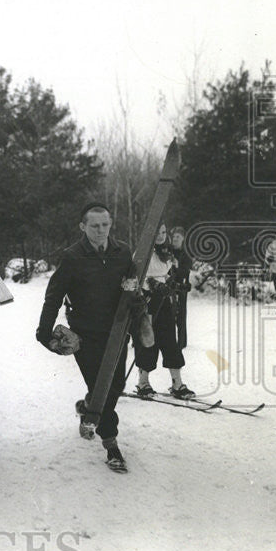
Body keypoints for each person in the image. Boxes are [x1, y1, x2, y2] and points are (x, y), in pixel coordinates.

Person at [36, 202, 137, 474]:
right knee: (101, 384)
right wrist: (44, 331)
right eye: (94, 225)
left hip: (116, 332)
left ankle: (87, 407)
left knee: (114, 385)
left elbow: (132, 292)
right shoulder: (72, 256)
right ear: (83, 226)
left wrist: (138, 322)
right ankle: (111, 445)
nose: (101, 230)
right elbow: (54, 295)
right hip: (84, 334)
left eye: (105, 224)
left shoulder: (123, 252)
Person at [134, 224, 193, 399]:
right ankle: (143, 383)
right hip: (148, 302)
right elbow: (137, 276)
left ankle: (177, 383)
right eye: (156, 232)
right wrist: (153, 285)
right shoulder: (142, 252)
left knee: (169, 340)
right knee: (148, 341)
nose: (160, 236)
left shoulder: (164, 252)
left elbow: (165, 273)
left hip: (164, 302)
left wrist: (172, 284)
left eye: (163, 232)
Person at [169, 226, 193, 349]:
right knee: (169, 314)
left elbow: (185, 272)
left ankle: (182, 342)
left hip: (182, 287)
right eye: (173, 236)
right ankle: (170, 340)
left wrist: (177, 266)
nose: (175, 239)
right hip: (169, 288)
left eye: (178, 237)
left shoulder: (186, 255)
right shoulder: (168, 252)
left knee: (181, 315)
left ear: (183, 238)